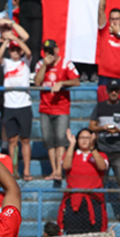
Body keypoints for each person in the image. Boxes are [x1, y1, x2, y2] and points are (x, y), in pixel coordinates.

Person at [90, 79, 120, 220]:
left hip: (119, 149)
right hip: (102, 148)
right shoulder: (99, 107)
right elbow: (91, 126)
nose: (114, 93)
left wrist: (119, 130)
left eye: (116, 90)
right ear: (107, 91)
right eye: (111, 90)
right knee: (100, 182)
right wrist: (103, 128)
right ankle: (99, 209)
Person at [35, 39, 80, 182]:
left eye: (51, 50)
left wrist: (62, 83)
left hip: (61, 108)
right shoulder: (40, 64)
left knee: (61, 140)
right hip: (45, 107)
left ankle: (59, 171)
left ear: (57, 50)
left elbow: (77, 81)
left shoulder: (66, 63)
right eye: (46, 50)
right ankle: (54, 170)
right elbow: (37, 82)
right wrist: (44, 66)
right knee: (49, 141)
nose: (49, 53)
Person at [59, 128, 108, 234]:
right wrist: (71, 144)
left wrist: (92, 148)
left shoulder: (101, 155)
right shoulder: (71, 154)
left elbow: (102, 166)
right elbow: (66, 166)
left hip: (94, 200)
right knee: (73, 233)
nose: (85, 140)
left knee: (94, 233)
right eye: (82, 138)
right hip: (74, 201)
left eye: (88, 138)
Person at [0, 39, 32, 178]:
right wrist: (6, 42)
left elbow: (28, 52)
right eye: (12, 50)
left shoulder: (25, 62)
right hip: (9, 106)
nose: (15, 53)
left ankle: (26, 170)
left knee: (25, 139)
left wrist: (18, 42)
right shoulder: (7, 63)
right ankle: (14, 170)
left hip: (24, 105)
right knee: (12, 140)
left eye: (17, 50)